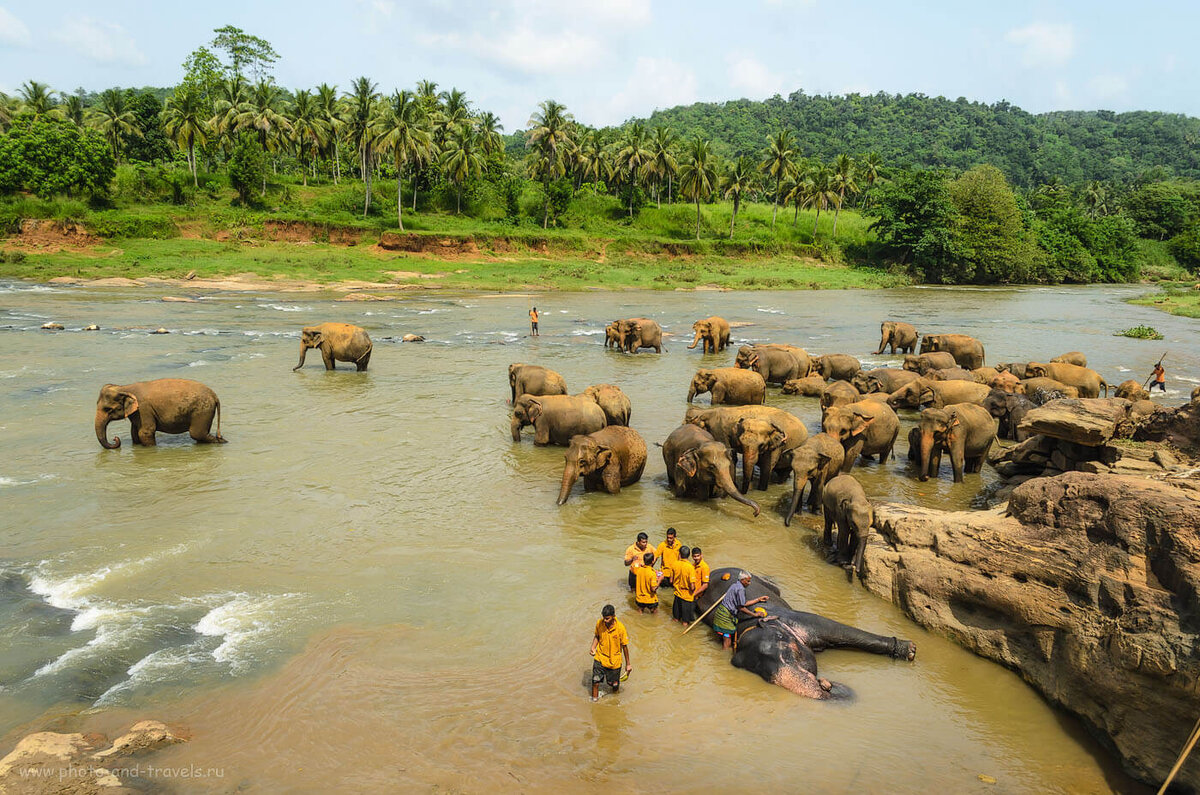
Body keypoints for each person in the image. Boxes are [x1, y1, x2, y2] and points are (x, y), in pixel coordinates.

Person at [712, 571, 772, 650]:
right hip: (726, 617)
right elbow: (741, 607)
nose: (749, 583)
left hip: (721, 612)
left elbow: (743, 603)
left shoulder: (734, 585)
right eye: (748, 581)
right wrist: (755, 615)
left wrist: (758, 599)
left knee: (724, 636)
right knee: (727, 639)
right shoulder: (740, 589)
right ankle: (723, 654)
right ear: (742, 580)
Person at [590, 604, 630, 701]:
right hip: (600, 657)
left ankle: (615, 702)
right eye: (603, 618)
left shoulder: (620, 628)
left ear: (613, 616)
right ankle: (594, 701)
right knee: (595, 681)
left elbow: (625, 646)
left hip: (614, 661)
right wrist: (593, 647)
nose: (605, 620)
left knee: (614, 685)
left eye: (607, 618)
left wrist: (628, 664)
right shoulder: (599, 623)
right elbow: (597, 636)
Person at [670, 545, 699, 625]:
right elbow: (692, 586)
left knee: (675, 619)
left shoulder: (674, 564)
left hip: (677, 595)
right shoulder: (690, 568)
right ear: (689, 555)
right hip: (687, 597)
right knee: (685, 622)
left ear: (679, 554)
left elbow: (671, 580)